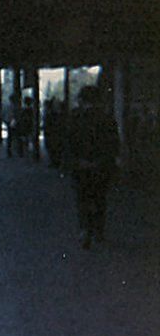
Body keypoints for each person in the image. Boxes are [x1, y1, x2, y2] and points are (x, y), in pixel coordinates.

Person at [67, 85, 120, 248]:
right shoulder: (107, 118)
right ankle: (98, 230)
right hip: (101, 166)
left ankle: (84, 230)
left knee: (82, 199)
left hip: (81, 166)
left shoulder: (75, 117)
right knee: (99, 198)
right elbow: (114, 144)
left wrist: (77, 161)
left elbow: (69, 143)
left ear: (82, 100)